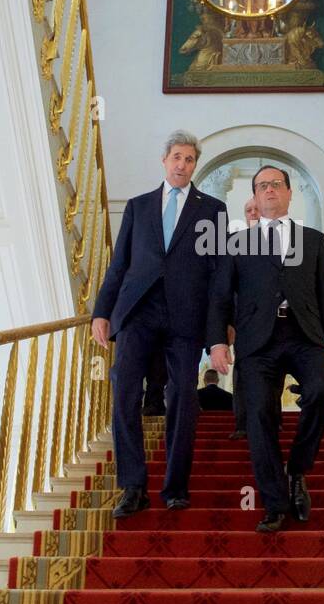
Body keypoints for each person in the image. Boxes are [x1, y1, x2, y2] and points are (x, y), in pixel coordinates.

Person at [91, 131, 227, 516]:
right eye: (177, 157)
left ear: (194, 166)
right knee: (123, 389)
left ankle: (175, 487)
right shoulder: (138, 206)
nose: (182, 165)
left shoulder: (212, 209)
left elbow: (218, 273)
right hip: (138, 312)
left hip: (186, 316)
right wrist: (102, 311)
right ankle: (132, 487)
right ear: (164, 160)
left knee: (183, 397)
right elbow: (119, 264)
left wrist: (218, 330)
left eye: (189, 160)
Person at [208, 165, 324, 532]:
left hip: (304, 335)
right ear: (254, 196)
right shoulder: (236, 243)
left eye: (276, 185)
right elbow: (219, 297)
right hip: (257, 341)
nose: (270, 191)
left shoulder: (312, 239)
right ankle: (275, 503)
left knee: (322, 390)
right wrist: (218, 341)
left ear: (289, 193)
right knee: (260, 418)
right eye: (262, 186)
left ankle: (297, 467)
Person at [229, 196, 259, 440]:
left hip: (274, 319)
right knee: (241, 370)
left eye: (256, 209)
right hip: (242, 320)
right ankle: (241, 423)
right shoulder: (234, 243)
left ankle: (272, 418)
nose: (253, 213)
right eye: (248, 210)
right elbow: (226, 287)